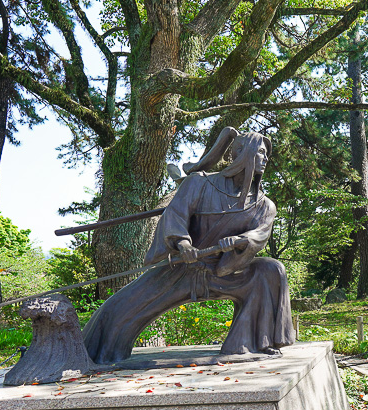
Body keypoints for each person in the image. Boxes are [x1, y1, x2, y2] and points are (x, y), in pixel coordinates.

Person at [82, 128, 295, 364]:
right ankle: (96, 352)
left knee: (270, 270)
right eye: (260, 153)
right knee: (117, 311)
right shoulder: (199, 183)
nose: (265, 159)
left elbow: (259, 234)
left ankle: (250, 344)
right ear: (242, 153)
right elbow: (175, 215)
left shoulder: (265, 206)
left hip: (223, 271)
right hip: (182, 267)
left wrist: (241, 241)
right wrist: (183, 243)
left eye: (266, 155)